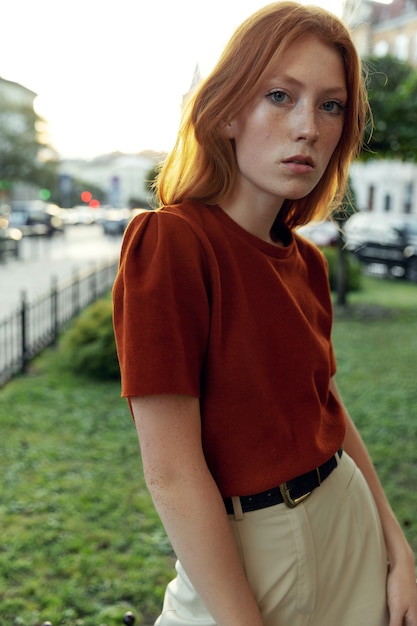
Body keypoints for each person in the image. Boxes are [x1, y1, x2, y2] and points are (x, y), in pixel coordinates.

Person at [112, 2, 417, 625]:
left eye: (331, 105)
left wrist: (397, 545)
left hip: (347, 521)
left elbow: (326, 403)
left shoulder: (306, 261)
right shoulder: (172, 243)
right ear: (225, 112)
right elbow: (170, 472)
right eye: (280, 95)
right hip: (245, 555)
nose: (308, 126)